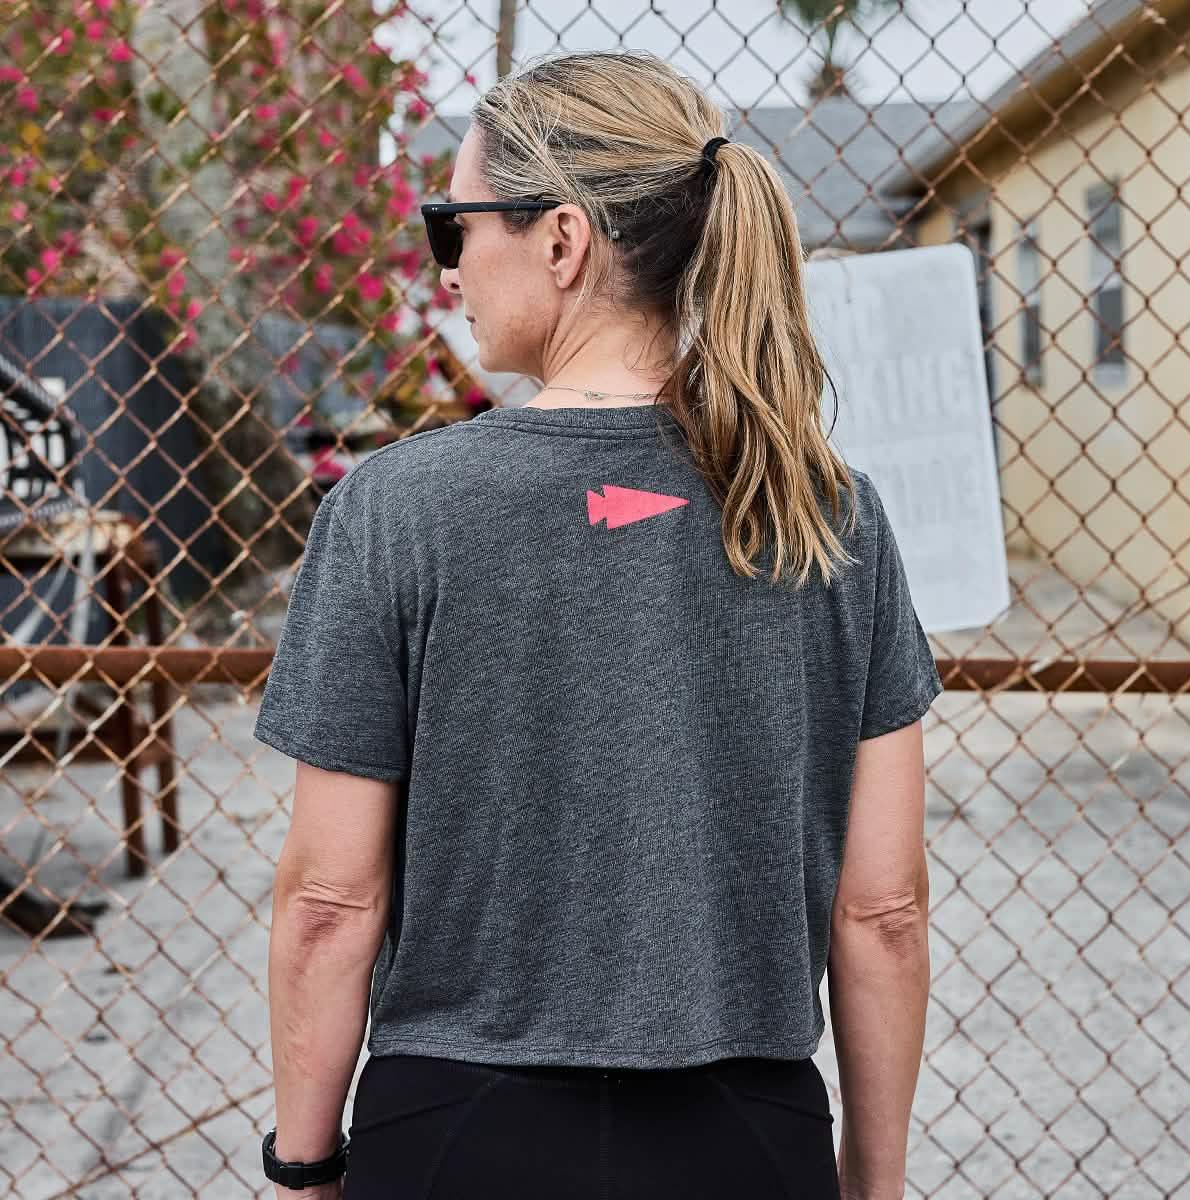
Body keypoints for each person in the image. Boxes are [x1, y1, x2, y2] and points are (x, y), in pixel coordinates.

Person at [253, 48, 943, 1200]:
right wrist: (869, 1184)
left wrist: (305, 1163)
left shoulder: (395, 511)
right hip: (747, 1134)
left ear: (561, 241)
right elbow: (884, 912)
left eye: (455, 226)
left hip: (456, 1132)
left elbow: (329, 901)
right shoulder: (828, 514)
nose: (451, 268)